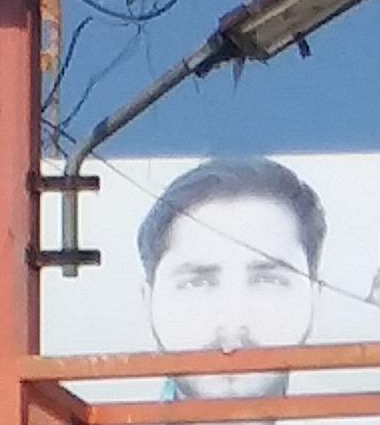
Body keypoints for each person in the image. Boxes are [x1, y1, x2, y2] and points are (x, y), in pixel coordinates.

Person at [141, 157, 329, 407]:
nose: (232, 324)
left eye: (267, 280)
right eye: (197, 283)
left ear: (314, 300)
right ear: (148, 302)